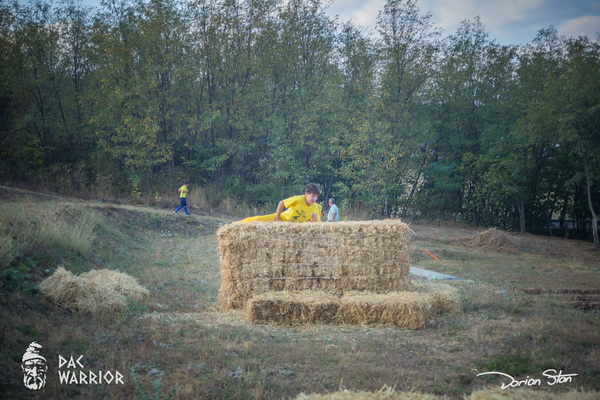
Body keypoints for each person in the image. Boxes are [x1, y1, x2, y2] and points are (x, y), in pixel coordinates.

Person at [237, 183, 322, 223]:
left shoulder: (315, 207)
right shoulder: (299, 199)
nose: (314, 199)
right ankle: (235, 225)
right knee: (256, 219)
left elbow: (314, 224)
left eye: (316, 197)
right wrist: (277, 218)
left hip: (292, 226)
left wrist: (314, 219)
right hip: (282, 218)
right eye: (312, 196)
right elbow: (282, 203)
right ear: (306, 194)